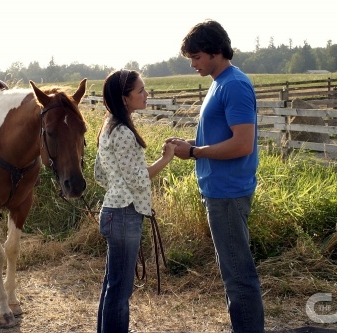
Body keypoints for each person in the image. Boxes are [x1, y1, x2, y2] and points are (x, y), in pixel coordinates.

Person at [167, 20, 265, 332]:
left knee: (238, 274)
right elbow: (223, 136)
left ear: (215, 51)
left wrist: (195, 153)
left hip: (228, 192)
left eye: (196, 57)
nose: (193, 64)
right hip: (220, 190)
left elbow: (242, 144)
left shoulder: (233, 85)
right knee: (234, 272)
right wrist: (191, 145)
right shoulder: (220, 82)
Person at [94, 69, 176, 333]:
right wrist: (166, 158)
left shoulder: (108, 127)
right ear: (125, 98)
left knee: (113, 285)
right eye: (140, 90)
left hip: (113, 210)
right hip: (124, 214)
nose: (146, 94)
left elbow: (100, 174)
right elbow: (139, 180)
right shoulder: (124, 132)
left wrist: (119, 189)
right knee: (120, 290)